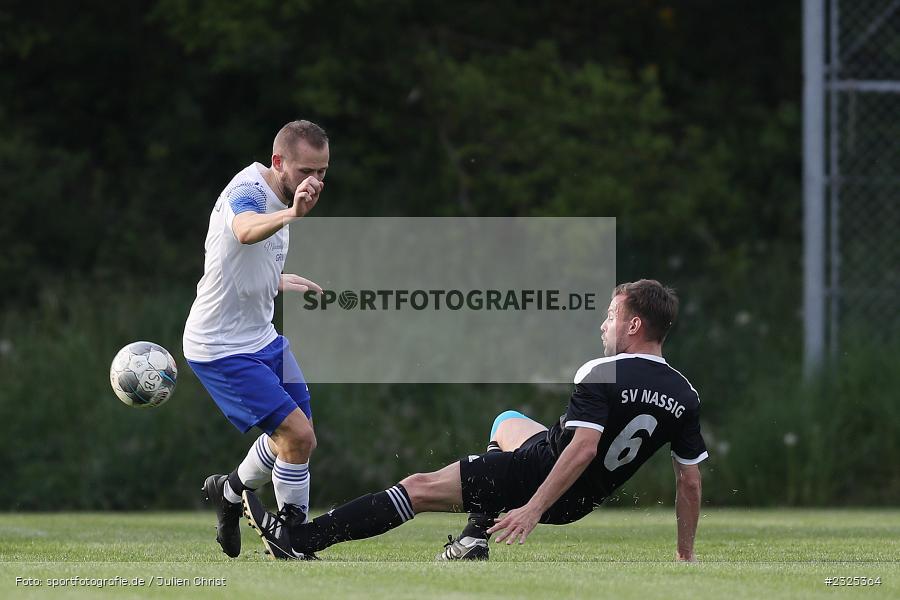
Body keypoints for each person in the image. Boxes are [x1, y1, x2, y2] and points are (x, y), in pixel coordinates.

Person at [244, 279, 707, 561]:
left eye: (611, 316)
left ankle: (302, 540)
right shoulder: (685, 394)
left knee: (418, 488)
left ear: (633, 326)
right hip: (580, 499)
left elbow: (582, 448)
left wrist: (532, 508)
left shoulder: (602, 372)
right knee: (506, 422)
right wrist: (684, 556)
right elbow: (689, 483)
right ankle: (473, 538)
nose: (603, 325)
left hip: (543, 476)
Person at [182, 120, 329, 558]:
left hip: (262, 338)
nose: (315, 182)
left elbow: (240, 258)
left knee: (297, 438)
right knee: (297, 437)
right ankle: (290, 541)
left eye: (322, 172)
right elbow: (245, 228)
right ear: (278, 162)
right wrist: (292, 214)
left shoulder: (287, 196)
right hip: (220, 347)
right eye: (306, 171)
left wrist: (277, 279)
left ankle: (229, 491)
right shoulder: (245, 190)